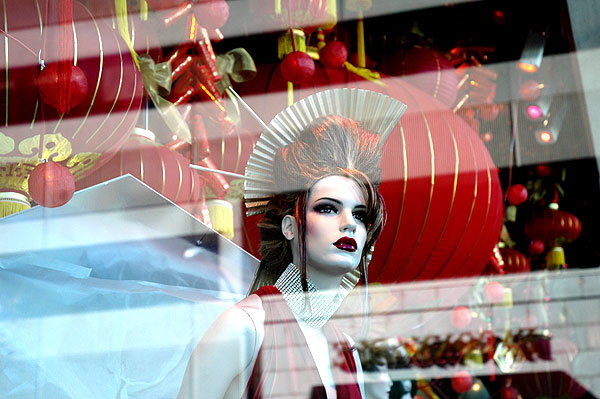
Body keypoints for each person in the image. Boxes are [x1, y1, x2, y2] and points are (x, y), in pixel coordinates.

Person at [177, 88, 406, 399]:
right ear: (290, 226)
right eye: (327, 208)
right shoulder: (244, 328)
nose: (349, 223)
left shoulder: (347, 352)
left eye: (360, 214)